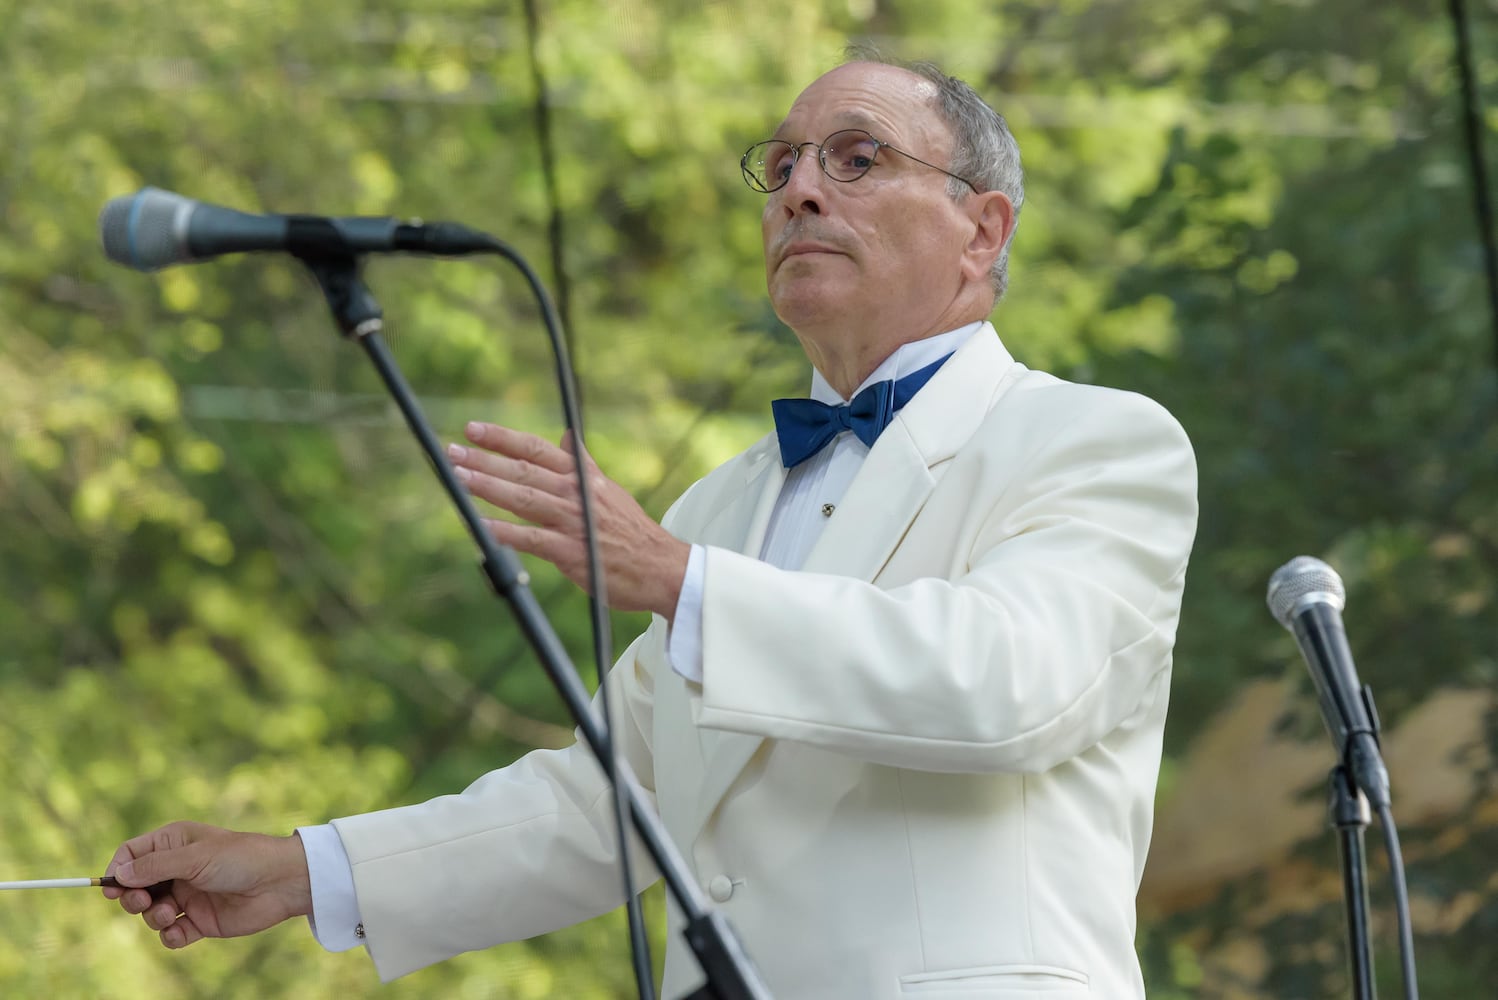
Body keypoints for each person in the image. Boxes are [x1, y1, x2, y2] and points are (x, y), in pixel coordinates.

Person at [106, 53, 1198, 999]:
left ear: (983, 228)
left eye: (854, 159)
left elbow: (1007, 684)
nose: (800, 192)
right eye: (780, 167)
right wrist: (303, 867)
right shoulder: (727, 499)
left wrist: (683, 581)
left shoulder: (1094, 439)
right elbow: (603, 799)